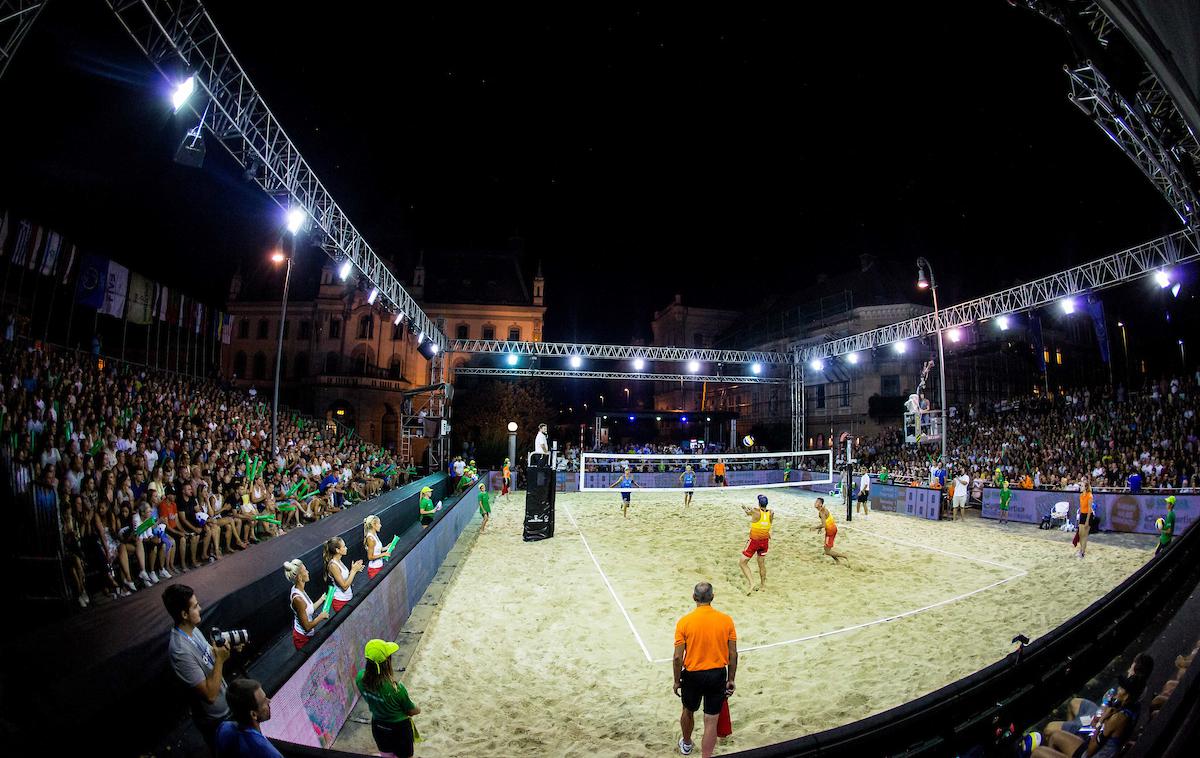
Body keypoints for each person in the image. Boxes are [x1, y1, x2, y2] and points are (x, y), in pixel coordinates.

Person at [164, 584, 234, 750]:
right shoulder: (180, 652)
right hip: (215, 721)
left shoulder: (192, 630)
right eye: (195, 606)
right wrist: (220, 660)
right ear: (184, 614)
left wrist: (221, 650)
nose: (200, 608)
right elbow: (209, 695)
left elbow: (208, 654)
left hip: (226, 707)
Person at [673, 582, 737, 758]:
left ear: (694, 598)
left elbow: (678, 657)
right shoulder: (726, 620)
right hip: (717, 674)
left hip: (693, 675)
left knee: (688, 710)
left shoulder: (684, 622)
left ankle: (686, 743)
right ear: (713, 597)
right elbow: (733, 653)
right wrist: (731, 679)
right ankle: (706, 756)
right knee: (711, 720)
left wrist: (677, 680)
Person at [1032, 675, 1145, 758]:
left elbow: (1090, 750)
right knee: (1055, 736)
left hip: (1091, 754)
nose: (1118, 690)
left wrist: (1102, 719)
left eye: (1121, 688)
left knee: (1038, 752)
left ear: (1127, 695)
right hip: (1103, 751)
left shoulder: (1117, 719)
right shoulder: (1134, 708)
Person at [356, 639, 422, 758]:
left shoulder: (360, 678)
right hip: (399, 729)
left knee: (386, 754)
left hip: (378, 726)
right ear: (386, 662)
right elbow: (412, 711)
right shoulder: (396, 688)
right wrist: (419, 709)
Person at [215, 679, 283, 758]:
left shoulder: (223, 728)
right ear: (253, 714)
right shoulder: (268, 753)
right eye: (264, 701)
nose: (269, 701)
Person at [283, 559, 328, 650]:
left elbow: (308, 609)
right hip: (302, 638)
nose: (308, 572)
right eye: (305, 570)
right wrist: (320, 617)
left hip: (308, 635)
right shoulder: (298, 599)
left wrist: (321, 599)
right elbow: (307, 627)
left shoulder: (299, 589)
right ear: (299, 577)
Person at [738, 495, 773, 595]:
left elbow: (748, 512)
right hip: (765, 540)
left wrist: (744, 507)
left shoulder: (755, 511)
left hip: (755, 540)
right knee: (761, 564)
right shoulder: (771, 513)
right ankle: (763, 586)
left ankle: (752, 583)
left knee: (742, 563)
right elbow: (770, 523)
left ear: (759, 503)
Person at [323, 537, 363, 613]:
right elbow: (344, 586)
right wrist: (353, 571)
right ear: (337, 550)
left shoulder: (339, 561)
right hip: (340, 601)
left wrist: (354, 569)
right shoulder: (333, 565)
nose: (346, 548)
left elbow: (346, 579)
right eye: (344, 547)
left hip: (348, 598)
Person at [814, 497, 847, 564]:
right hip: (832, 529)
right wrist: (820, 528)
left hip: (830, 531)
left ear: (820, 504)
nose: (815, 503)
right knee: (827, 549)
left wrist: (815, 527)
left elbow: (824, 525)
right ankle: (837, 561)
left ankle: (845, 556)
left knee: (827, 551)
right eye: (815, 501)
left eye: (817, 502)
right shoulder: (822, 510)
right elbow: (825, 521)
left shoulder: (821, 512)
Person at [363, 515, 392, 580]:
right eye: (379, 523)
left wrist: (387, 547)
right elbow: (370, 557)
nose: (380, 525)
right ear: (373, 525)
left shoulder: (374, 534)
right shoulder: (370, 538)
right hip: (374, 569)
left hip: (379, 566)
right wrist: (383, 554)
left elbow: (378, 550)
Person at [1076, 482, 1094, 559]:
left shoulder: (1089, 496)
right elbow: (1081, 507)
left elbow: (1089, 509)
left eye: (1082, 486)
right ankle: (1080, 550)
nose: (1080, 487)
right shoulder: (1081, 495)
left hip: (1088, 515)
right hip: (1082, 514)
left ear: (1086, 487)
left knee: (1084, 535)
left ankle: (1082, 552)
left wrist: (1087, 521)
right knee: (1080, 534)